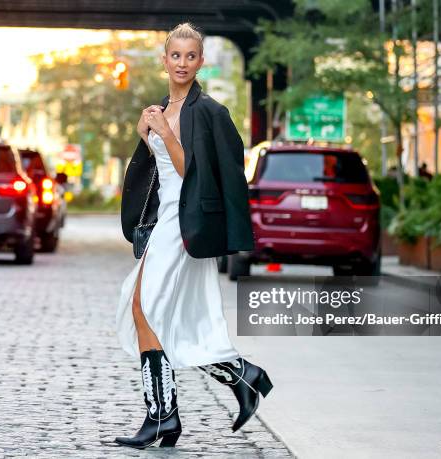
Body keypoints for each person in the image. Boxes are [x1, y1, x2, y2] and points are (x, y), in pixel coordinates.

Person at [115, 23, 273, 449]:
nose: (182, 63)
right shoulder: (161, 108)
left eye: (191, 56)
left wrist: (165, 136)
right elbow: (160, 171)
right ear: (164, 60)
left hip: (185, 223)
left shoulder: (207, 112)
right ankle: (237, 379)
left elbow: (196, 176)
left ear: (200, 62)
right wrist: (146, 137)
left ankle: (163, 417)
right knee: (155, 314)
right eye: (175, 56)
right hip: (164, 218)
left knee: (145, 308)